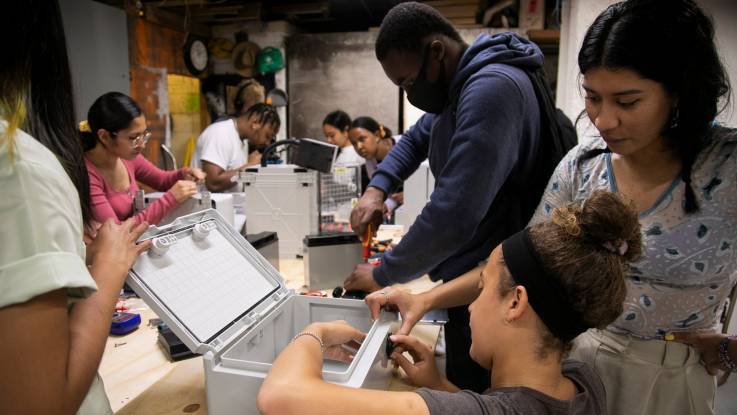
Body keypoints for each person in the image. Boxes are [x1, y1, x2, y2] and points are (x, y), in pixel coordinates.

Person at [345, 2, 574, 392]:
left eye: (406, 81)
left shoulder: (491, 89)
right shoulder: (461, 86)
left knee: (485, 397)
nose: (408, 92)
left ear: (436, 52)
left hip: (503, 294)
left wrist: (383, 272)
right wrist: (376, 188)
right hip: (477, 281)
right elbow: (417, 138)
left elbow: (454, 212)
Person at [257, 190, 642, 415]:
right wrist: (439, 384)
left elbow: (279, 397)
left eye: (482, 288)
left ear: (515, 303)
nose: (470, 306)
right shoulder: (581, 380)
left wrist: (316, 332)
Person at [528, 0, 735, 413]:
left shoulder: (727, 168)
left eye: (627, 102)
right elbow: (529, 259)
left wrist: (732, 350)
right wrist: (427, 299)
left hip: (675, 378)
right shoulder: (582, 164)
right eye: (592, 97)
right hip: (581, 363)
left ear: (678, 94)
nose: (603, 121)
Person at [0, 1, 151, 414]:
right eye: (134, 136)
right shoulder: (19, 166)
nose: (140, 144)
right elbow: (42, 401)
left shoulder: (128, 162)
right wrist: (106, 268)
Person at [82, 92, 205, 226]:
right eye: (133, 138)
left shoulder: (127, 158)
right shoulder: (88, 175)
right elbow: (116, 233)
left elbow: (162, 180)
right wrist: (170, 200)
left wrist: (185, 174)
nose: (142, 144)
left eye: (144, 135)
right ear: (104, 136)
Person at [191, 103, 280, 192]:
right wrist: (248, 167)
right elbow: (213, 183)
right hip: (207, 205)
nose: (267, 143)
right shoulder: (220, 134)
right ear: (255, 122)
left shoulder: (242, 140)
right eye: (267, 136)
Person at [349, 116, 402, 214]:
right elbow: (391, 196)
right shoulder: (370, 161)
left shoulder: (404, 145)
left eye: (362, 139)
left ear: (377, 135)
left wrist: (411, 195)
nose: (359, 147)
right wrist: (385, 206)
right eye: (354, 144)